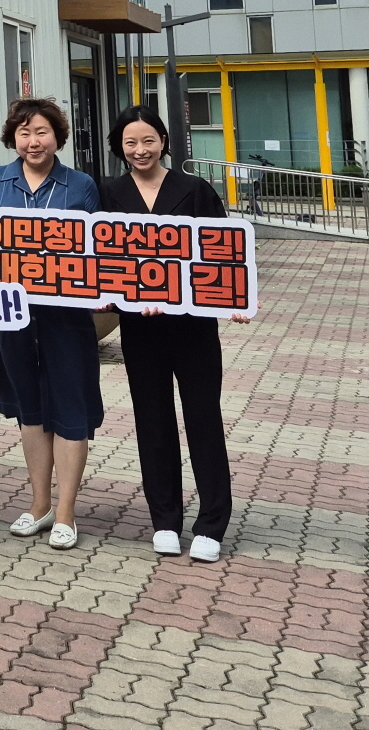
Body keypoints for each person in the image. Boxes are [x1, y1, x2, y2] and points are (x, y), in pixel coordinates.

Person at [99, 104, 246, 563]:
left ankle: (211, 523)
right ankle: (164, 519)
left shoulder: (196, 190)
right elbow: (99, 259)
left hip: (194, 329)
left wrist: (235, 299)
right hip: (140, 331)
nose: (140, 150)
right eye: (130, 142)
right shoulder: (109, 193)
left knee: (204, 421)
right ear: (119, 148)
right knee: (153, 423)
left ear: (163, 141)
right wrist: (106, 294)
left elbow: (224, 255)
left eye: (148, 140)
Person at [0, 97, 101, 550]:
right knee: (30, 408)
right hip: (11, 315)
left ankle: (66, 512)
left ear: (57, 136)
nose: (33, 141)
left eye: (41, 132)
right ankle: (39, 503)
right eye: (24, 133)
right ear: (13, 138)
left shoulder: (80, 185)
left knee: (71, 406)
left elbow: (100, 249)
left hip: (66, 318)